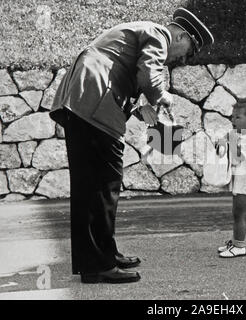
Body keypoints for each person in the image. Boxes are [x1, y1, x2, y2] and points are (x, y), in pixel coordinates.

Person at [49, 8, 214, 284]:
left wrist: (139, 108)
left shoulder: (141, 32)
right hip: (93, 105)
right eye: (188, 53)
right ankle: (96, 266)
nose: (182, 60)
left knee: (98, 185)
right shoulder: (159, 35)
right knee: (100, 187)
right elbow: (149, 73)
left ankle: (105, 255)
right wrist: (162, 97)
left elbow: (123, 70)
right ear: (182, 35)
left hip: (86, 100)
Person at [216, 98, 246, 258]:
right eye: (233, 117)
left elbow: (238, 156)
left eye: (238, 117)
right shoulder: (239, 135)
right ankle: (236, 241)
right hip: (240, 183)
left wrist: (228, 142)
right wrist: (225, 141)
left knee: (239, 214)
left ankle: (239, 246)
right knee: (235, 213)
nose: (233, 120)